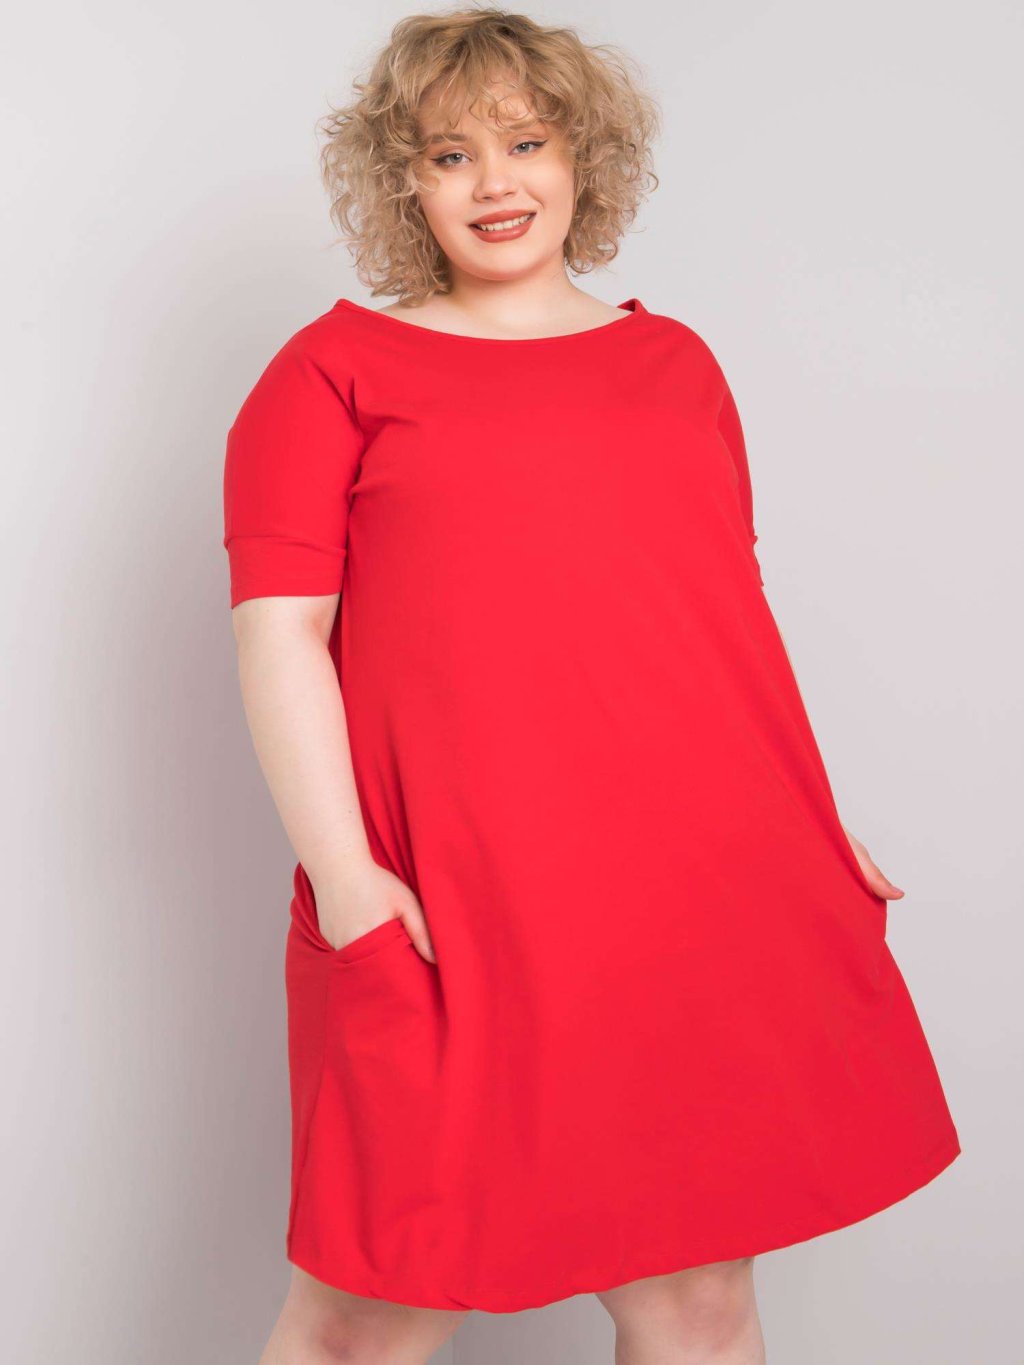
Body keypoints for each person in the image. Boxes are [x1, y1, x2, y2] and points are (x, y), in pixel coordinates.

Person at [222, 10, 961, 1363]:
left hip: (689, 888)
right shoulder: (331, 373)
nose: (494, 182)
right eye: (450, 154)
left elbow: (713, 620)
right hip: (447, 895)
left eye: (525, 142)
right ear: (404, 181)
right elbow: (281, 637)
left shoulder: (674, 366)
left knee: (695, 1302)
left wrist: (812, 815)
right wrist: (346, 876)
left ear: (584, 157)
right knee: (366, 1314)